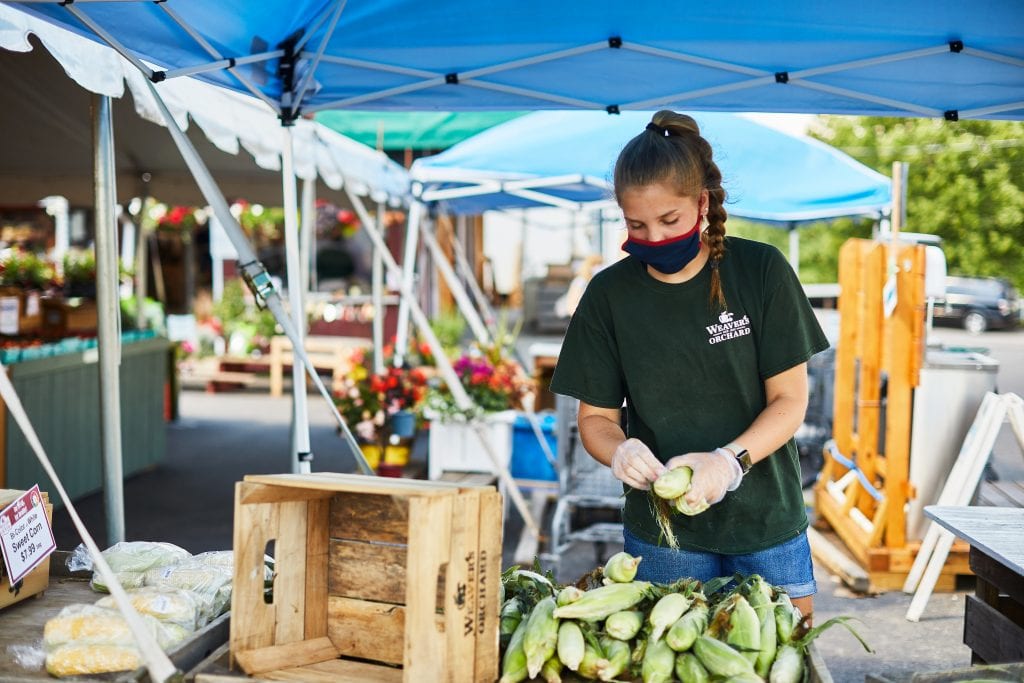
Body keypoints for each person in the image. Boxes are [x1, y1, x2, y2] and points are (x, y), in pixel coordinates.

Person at [548, 110, 828, 619]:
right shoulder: (609, 295)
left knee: (784, 662)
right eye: (637, 225)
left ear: (701, 203)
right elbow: (596, 420)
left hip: (767, 524)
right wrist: (620, 452)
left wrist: (729, 461)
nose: (653, 238)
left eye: (669, 221)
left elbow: (790, 401)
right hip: (662, 537)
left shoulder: (761, 271)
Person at [554, 253, 604, 318]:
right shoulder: (580, 282)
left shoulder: (597, 283)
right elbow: (570, 306)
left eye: (600, 265)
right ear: (589, 266)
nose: (599, 268)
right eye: (596, 265)